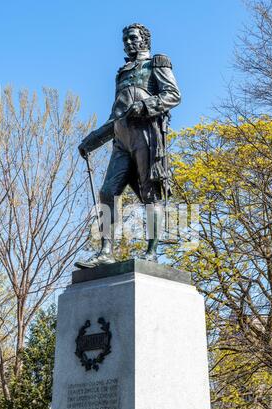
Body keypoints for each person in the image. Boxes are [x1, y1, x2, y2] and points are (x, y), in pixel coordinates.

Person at [75, 23, 181, 268]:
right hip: (121, 141)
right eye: (125, 39)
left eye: (132, 38)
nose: (128, 43)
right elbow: (116, 117)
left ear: (144, 39)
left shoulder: (157, 63)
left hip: (147, 136)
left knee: (150, 194)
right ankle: (105, 251)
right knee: (107, 192)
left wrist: (145, 106)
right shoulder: (121, 73)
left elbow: (173, 95)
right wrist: (91, 141)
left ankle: (152, 252)